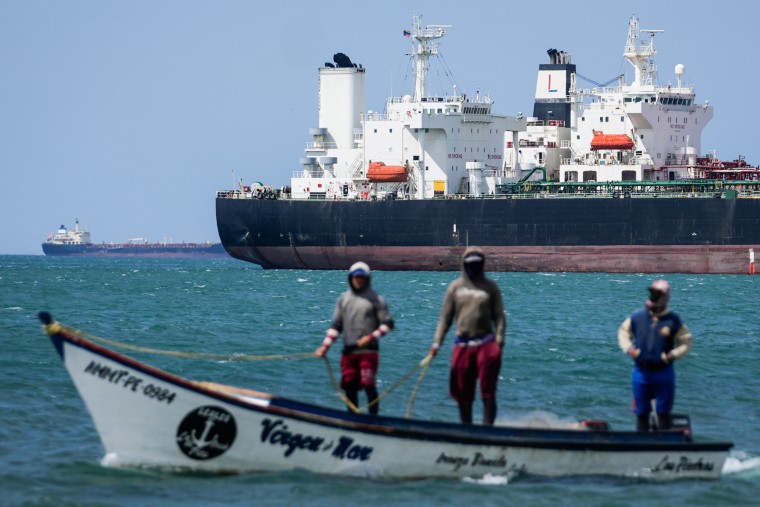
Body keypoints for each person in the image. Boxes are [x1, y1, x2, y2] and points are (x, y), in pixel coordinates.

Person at [429, 247, 506, 425]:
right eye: (470, 264)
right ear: (464, 264)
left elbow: (499, 317)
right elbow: (445, 319)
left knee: (488, 392)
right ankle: (467, 429)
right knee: (463, 393)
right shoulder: (455, 288)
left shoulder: (490, 287)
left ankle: (487, 431)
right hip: (462, 345)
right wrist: (436, 344)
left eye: (477, 264)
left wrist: (499, 342)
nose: (474, 267)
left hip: (486, 344)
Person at [315, 261, 394, 415]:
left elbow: (388, 324)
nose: (359, 280)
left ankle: (373, 421)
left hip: (368, 352)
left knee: (368, 385)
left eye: (362, 277)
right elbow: (336, 326)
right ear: (350, 278)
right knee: (349, 387)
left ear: (367, 279)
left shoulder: (376, 299)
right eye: (356, 277)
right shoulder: (343, 300)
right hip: (349, 353)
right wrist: (325, 346)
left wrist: (370, 337)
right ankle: (352, 419)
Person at [618, 279, 692, 432]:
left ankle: (665, 445)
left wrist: (671, 355)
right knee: (641, 412)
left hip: (663, 372)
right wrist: (630, 349)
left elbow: (686, 342)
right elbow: (623, 333)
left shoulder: (673, 320)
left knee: (663, 411)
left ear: (666, 297)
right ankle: (641, 445)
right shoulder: (638, 317)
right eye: (652, 293)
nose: (654, 297)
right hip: (641, 372)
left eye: (657, 294)